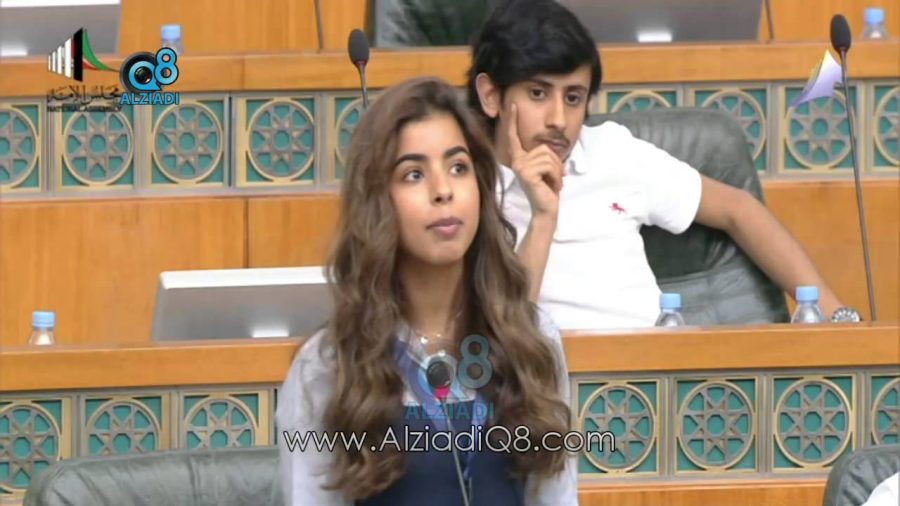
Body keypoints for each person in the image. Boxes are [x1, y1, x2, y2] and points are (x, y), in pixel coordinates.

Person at [276, 77, 578, 506]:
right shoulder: (327, 367)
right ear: (378, 203)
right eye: (414, 174)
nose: (443, 190)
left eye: (458, 168)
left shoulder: (532, 341)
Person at [466, 0, 847, 330]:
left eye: (573, 98)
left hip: (656, 369)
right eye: (538, 93)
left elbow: (738, 209)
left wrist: (837, 316)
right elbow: (506, 339)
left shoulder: (612, 150)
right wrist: (543, 217)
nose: (559, 120)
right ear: (491, 96)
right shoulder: (466, 189)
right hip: (555, 379)